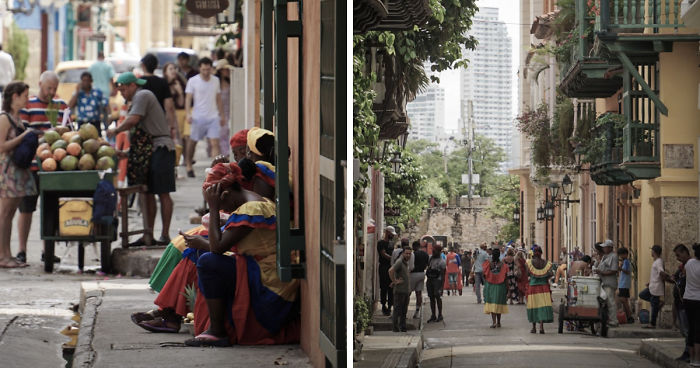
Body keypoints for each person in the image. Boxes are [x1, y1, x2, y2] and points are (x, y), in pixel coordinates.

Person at [186, 162, 300, 347]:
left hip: (269, 282)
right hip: (259, 270)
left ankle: (217, 331)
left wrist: (213, 208)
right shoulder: (252, 203)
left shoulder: (252, 208)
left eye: (220, 202)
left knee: (209, 261)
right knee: (201, 254)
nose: (223, 209)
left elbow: (217, 248)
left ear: (225, 194)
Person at [107, 72, 176, 247]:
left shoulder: (142, 95)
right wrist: (128, 152)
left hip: (161, 147)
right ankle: (148, 235)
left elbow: (133, 120)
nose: (122, 94)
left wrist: (115, 131)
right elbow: (140, 137)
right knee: (146, 192)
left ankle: (165, 235)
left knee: (163, 192)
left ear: (132, 85)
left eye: (123, 90)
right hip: (150, 149)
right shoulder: (136, 99)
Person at [17, 71, 67, 264]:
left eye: (54, 89)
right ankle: (22, 249)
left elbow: (68, 133)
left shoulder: (61, 106)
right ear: (40, 84)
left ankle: (48, 249)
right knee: (26, 209)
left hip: (54, 167)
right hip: (32, 167)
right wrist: (45, 137)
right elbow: (24, 134)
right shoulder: (28, 105)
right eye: (48, 88)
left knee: (50, 209)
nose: (51, 92)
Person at [0, 82, 35, 268]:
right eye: (25, 96)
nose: (27, 99)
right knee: (4, 215)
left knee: (10, 214)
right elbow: (2, 146)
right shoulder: (5, 118)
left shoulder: (18, 118)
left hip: (17, 172)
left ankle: (8, 254)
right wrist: (24, 136)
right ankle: (2, 255)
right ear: (15, 96)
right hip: (7, 172)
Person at [184, 57, 224, 178]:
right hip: (198, 117)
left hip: (213, 116)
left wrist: (222, 114)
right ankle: (188, 164)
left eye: (208, 69)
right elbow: (188, 98)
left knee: (215, 143)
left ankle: (215, 170)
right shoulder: (193, 81)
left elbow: (218, 99)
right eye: (203, 69)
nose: (206, 72)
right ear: (199, 69)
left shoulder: (216, 80)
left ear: (211, 69)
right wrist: (188, 114)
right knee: (193, 142)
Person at [139, 54, 178, 144]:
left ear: (143, 66)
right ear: (156, 66)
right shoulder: (162, 82)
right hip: (159, 123)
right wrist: (172, 126)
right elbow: (169, 107)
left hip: (142, 123)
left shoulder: (138, 82)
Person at [662, 244, 692, 362]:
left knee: (688, 330)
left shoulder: (691, 265)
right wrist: (666, 277)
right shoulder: (681, 267)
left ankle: (689, 353)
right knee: (684, 330)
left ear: (685, 252)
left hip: (687, 303)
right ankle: (688, 352)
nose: (678, 258)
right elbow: (674, 279)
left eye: (679, 255)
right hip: (679, 303)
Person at [163, 62, 188, 166]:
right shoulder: (162, 84)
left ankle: (174, 167)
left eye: (174, 69)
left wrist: (180, 92)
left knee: (177, 142)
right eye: (170, 69)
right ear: (165, 72)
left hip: (173, 117)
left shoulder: (177, 83)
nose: (173, 71)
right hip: (164, 118)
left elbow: (181, 103)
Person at [68, 71, 107, 136]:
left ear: (91, 81)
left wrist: (107, 118)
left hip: (95, 123)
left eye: (87, 80)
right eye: (83, 80)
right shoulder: (78, 93)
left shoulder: (97, 92)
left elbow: (105, 105)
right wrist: (77, 92)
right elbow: (70, 105)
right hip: (82, 124)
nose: (85, 82)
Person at [526, 246, 554, 333]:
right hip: (544, 288)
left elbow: (527, 273)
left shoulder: (529, 263)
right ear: (541, 253)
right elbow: (550, 274)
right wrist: (543, 277)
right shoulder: (547, 263)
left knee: (534, 306)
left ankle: (534, 328)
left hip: (533, 287)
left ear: (534, 253)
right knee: (542, 306)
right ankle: (541, 327)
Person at [639, 244, 665, 329]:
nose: (651, 252)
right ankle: (657, 304)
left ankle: (652, 324)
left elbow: (661, 272)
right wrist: (650, 283)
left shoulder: (659, 261)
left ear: (654, 252)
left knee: (654, 306)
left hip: (656, 286)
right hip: (652, 286)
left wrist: (665, 278)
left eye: (652, 251)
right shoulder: (656, 261)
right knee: (642, 295)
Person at [594, 239, 619, 327]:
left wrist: (602, 273)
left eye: (605, 247)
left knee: (610, 301)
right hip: (603, 282)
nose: (603, 249)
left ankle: (614, 320)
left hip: (609, 282)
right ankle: (607, 318)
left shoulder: (614, 256)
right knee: (604, 301)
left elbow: (614, 270)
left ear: (609, 247)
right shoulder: (605, 256)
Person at [683, 243, 700, 366]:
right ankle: (697, 359)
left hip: (688, 299)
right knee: (698, 330)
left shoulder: (689, 263)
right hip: (698, 300)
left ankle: (692, 357)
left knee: (690, 328)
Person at [483, 249, 509, 328]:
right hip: (500, 286)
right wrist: (507, 288)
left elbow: (485, 275)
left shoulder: (488, 264)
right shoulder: (503, 265)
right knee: (498, 303)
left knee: (492, 303)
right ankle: (498, 322)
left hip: (490, 285)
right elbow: (506, 277)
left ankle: (494, 322)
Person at [88, 51, 114, 128]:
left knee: (96, 111)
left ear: (97, 56)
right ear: (104, 56)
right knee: (106, 111)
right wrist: (114, 89)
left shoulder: (93, 66)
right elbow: (111, 78)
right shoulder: (108, 66)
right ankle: (106, 128)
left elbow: (88, 78)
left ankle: (96, 127)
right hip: (105, 92)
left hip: (95, 92)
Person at [389, 243, 412, 332]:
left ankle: (402, 327)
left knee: (404, 311)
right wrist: (394, 281)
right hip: (399, 290)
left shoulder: (406, 263)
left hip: (405, 291)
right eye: (406, 253)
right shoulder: (399, 261)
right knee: (397, 310)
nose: (408, 255)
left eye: (409, 253)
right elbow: (391, 270)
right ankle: (395, 327)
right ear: (403, 253)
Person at [377, 226, 396, 316]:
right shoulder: (381, 243)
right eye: (391, 234)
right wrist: (393, 259)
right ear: (387, 232)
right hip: (384, 267)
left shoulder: (392, 243)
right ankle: (383, 304)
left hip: (391, 267)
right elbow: (383, 254)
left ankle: (389, 306)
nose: (392, 236)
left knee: (391, 286)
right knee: (383, 287)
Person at [215, 59, 232, 157]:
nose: (228, 71)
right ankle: (225, 156)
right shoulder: (215, 83)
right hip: (219, 113)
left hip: (230, 111)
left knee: (226, 135)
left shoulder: (230, 81)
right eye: (226, 69)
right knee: (222, 136)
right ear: (221, 70)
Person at [425, 244, 446, 323]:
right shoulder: (430, 258)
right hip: (430, 280)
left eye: (435, 251)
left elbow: (443, 275)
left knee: (437, 297)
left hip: (437, 281)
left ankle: (440, 314)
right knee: (431, 298)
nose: (433, 252)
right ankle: (433, 315)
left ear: (439, 252)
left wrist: (441, 287)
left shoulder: (442, 262)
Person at [410, 240, 429, 319]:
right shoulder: (425, 254)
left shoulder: (412, 254)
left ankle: (403, 310)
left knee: (408, 292)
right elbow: (428, 264)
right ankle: (417, 311)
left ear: (413, 247)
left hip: (413, 274)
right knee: (419, 293)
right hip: (422, 273)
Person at [617, 247, 634, 324]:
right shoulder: (624, 262)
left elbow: (627, 272)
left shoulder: (626, 262)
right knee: (625, 301)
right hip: (623, 283)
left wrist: (620, 268)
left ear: (625, 254)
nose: (620, 256)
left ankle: (629, 316)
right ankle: (627, 316)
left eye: (621, 255)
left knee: (623, 300)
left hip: (624, 284)